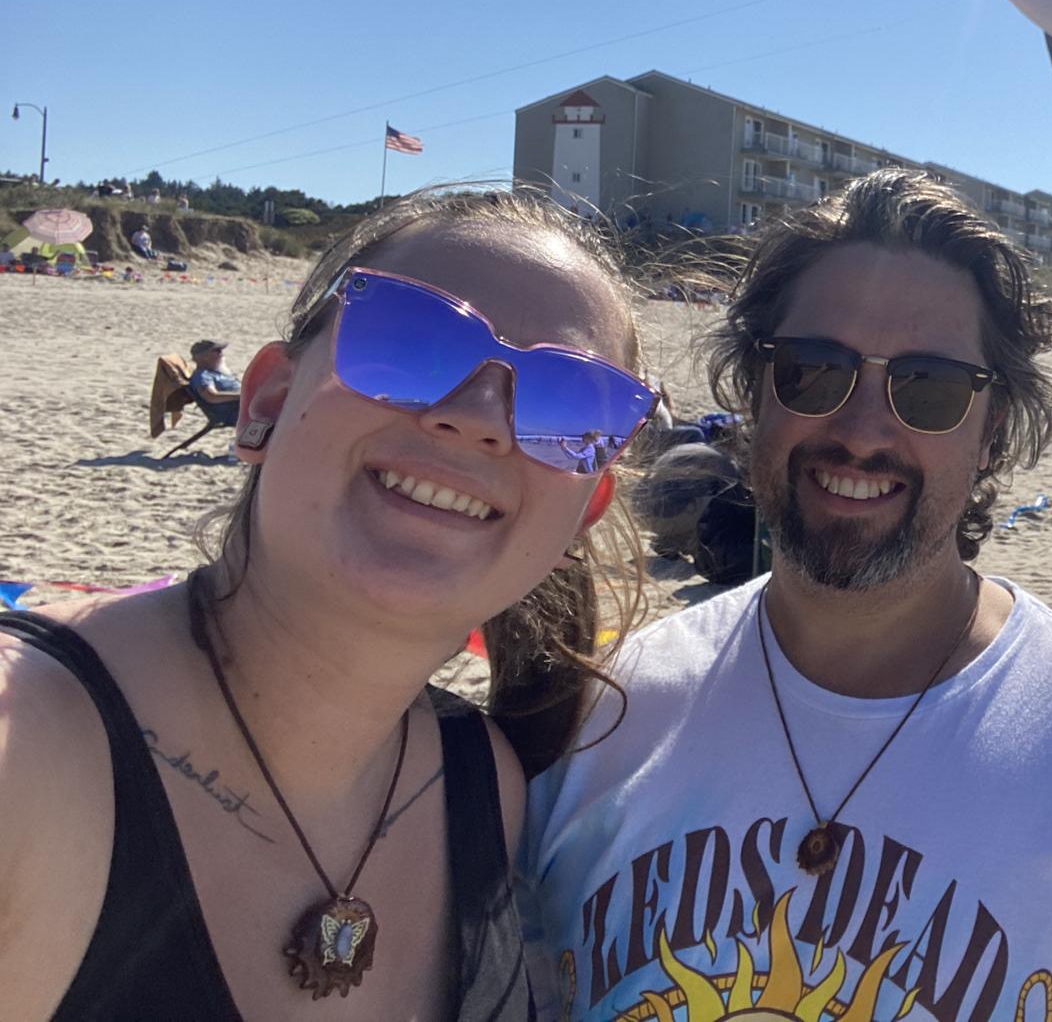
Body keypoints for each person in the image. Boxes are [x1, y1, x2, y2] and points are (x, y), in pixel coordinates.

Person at [524, 169, 1052, 1022]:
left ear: (994, 433)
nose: (863, 430)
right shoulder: (609, 714)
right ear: (754, 395)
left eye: (929, 387)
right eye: (813, 370)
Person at [0, 188, 664, 1020]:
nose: (477, 421)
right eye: (411, 341)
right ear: (267, 402)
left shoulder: (480, 784)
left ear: (583, 511)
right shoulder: (25, 753)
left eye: (571, 403)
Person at [187, 337, 243, 424]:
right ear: (203, 356)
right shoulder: (202, 375)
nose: (222, 354)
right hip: (237, 412)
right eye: (217, 351)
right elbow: (212, 396)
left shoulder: (216, 372)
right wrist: (243, 396)